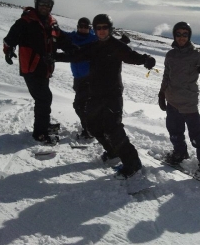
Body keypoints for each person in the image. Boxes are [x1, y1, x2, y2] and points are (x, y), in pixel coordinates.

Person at [55, 14, 156, 179]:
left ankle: (133, 164)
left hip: (112, 94)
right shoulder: (93, 46)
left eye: (105, 27)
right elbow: (75, 55)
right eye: (98, 28)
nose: (101, 31)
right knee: (92, 125)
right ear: (95, 30)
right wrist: (54, 57)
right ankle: (112, 151)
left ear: (110, 29)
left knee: (113, 128)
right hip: (95, 93)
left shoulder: (117, 46)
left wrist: (146, 59)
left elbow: (132, 56)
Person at [3, 0, 74, 144]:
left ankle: (44, 124)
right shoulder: (26, 21)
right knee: (44, 98)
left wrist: (74, 50)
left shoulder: (52, 22)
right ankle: (39, 133)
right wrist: (8, 51)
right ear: (36, 4)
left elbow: (61, 39)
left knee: (44, 98)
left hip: (45, 68)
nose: (45, 7)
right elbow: (10, 38)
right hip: (31, 67)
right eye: (42, 3)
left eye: (48, 4)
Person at [158, 21, 200, 179]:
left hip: (188, 103)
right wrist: (162, 93)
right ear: (174, 36)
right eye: (178, 34)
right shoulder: (170, 55)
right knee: (174, 132)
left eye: (185, 34)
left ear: (189, 36)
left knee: (197, 136)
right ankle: (180, 154)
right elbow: (166, 75)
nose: (181, 37)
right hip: (172, 101)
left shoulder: (196, 55)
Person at [65, 17, 97, 139]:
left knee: (80, 105)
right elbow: (61, 36)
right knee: (84, 105)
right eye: (81, 26)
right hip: (77, 78)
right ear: (78, 27)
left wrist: (123, 41)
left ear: (89, 28)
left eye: (86, 27)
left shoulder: (93, 39)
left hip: (90, 78)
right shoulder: (73, 37)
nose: (83, 29)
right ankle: (90, 128)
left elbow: (108, 43)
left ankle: (90, 129)